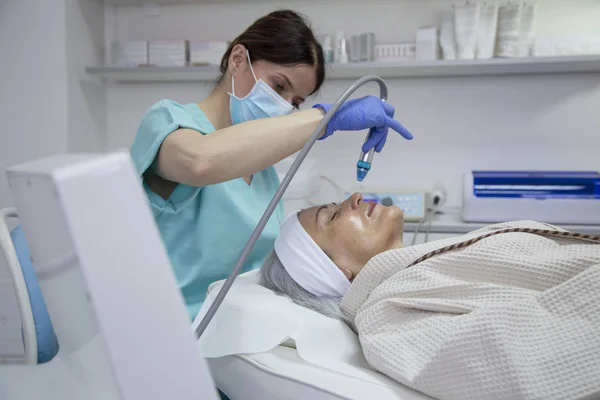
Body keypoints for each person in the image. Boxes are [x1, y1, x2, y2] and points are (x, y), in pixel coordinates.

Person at [130, 10, 413, 320]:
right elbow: (200, 162)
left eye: (295, 103)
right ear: (238, 59)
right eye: (279, 86)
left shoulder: (264, 172)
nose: (284, 107)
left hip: (236, 338)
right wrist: (326, 118)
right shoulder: (168, 122)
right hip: (168, 330)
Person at [260, 192, 404, 319]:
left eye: (336, 206)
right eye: (334, 216)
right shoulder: (395, 325)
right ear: (338, 272)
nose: (356, 196)